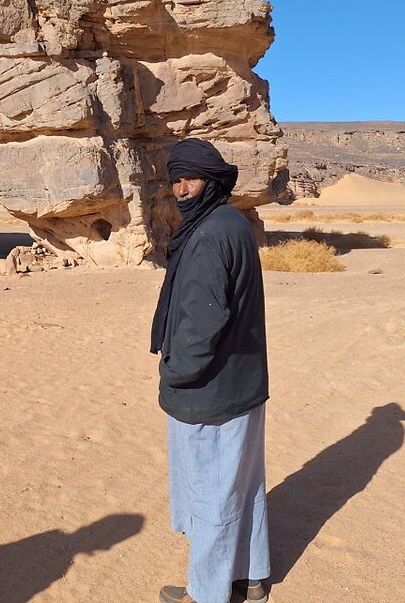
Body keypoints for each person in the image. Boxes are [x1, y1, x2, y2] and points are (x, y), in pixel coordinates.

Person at [150, 138, 271, 603]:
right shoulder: (232, 222)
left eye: (190, 179)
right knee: (243, 484)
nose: (181, 189)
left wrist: (175, 374)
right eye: (176, 180)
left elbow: (201, 325)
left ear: (212, 181)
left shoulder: (206, 235)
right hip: (241, 386)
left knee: (212, 494)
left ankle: (208, 593)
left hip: (211, 393)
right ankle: (252, 577)